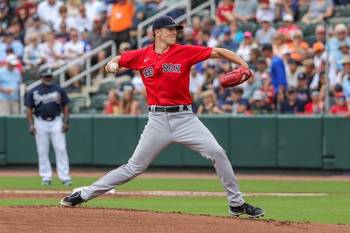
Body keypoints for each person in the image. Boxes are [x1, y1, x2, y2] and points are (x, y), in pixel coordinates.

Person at [60, 15, 264, 218]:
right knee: (134, 167)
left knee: (218, 153)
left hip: (185, 118)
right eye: (169, 29)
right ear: (157, 32)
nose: (174, 32)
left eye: (176, 29)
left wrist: (244, 64)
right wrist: (112, 64)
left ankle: (236, 203)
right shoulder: (142, 55)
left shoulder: (184, 52)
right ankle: (83, 194)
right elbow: (118, 59)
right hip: (157, 120)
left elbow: (218, 52)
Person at [25, 67, 72, 186]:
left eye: (50, 76)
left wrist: (66, 122)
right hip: (40, 121)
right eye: (46, 76)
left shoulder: (59, 89)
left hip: (56, 120)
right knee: (42, 150)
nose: (48, 78)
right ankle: (46, 177)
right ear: (41, 77)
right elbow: (29, 108)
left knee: (61, 148)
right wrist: (31, 124)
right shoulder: (34, 91)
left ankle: (65, 177)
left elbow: (66, 106)